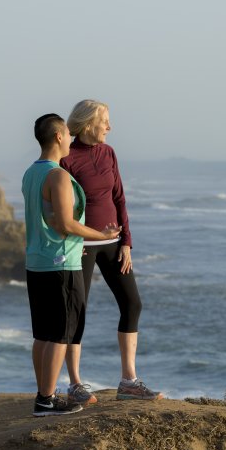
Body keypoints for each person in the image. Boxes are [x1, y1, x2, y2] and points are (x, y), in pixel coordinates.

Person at [60, 99, 163, 402]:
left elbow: (119, 197)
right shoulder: (67, 158)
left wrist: (127, 242)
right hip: (81, 247)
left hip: (114, 244)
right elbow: (61, 207)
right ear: (89, 123)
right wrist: (69, 242)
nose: (110, 126)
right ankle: (76, 384)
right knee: (76, 312)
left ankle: (129, 381)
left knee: (132, 305)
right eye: (105, 120)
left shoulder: (108, 153)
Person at [23, 113, 121, 416]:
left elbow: (50, 218)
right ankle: (47, 399)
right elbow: (65, 224)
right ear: (58, 137)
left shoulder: (31, 173)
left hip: (37, 262)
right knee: (61, 334)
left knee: (43, 333)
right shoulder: (58, 175)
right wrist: (102, 235)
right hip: (60, 261)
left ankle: (43, 396)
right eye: (67, 133)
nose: (71, 138)